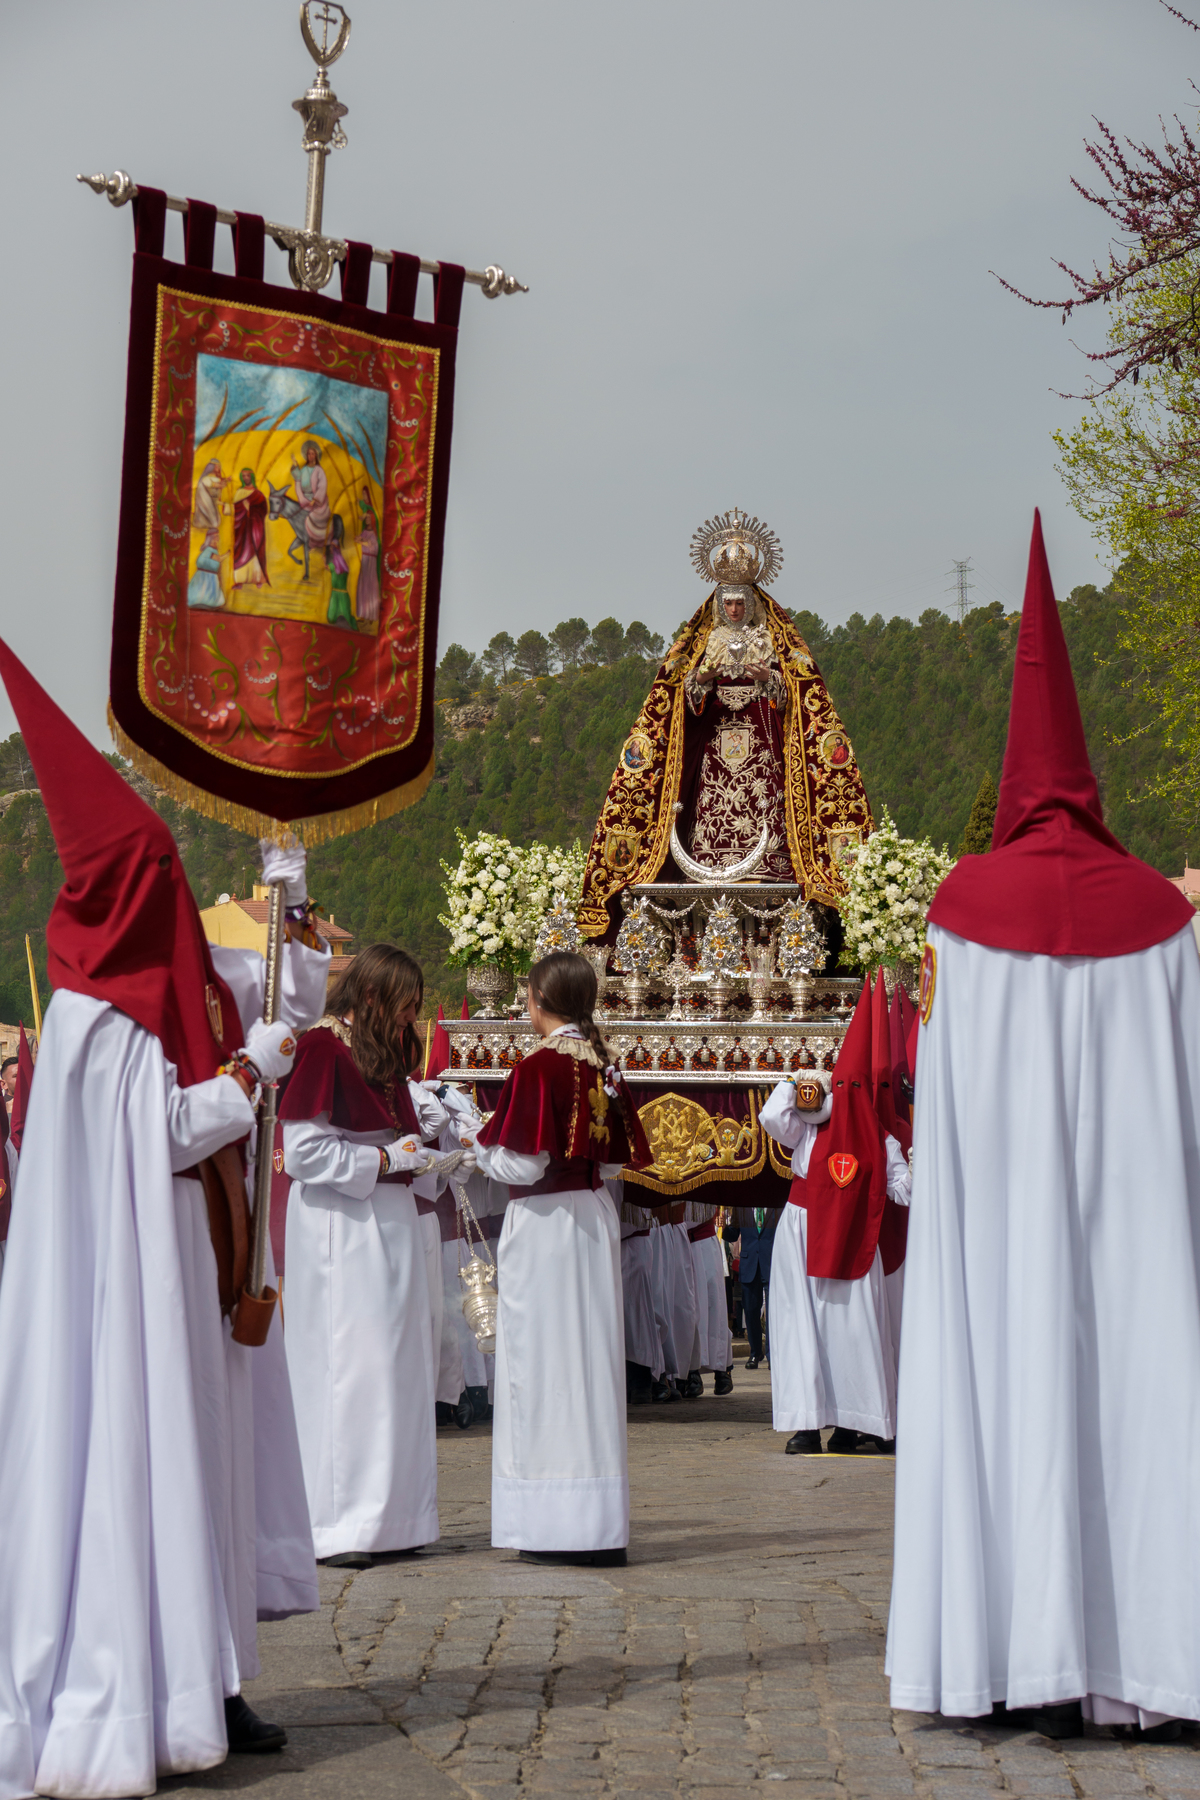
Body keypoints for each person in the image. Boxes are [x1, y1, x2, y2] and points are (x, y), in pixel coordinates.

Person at [886, 513, 1200, 1739]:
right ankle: (1147, 1661)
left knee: (1004, 1379)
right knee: (1133, 1385)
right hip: (1137, 1225)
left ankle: (1003, 1655)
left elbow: (945, 1099)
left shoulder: (964, 909)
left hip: (1004, 1223)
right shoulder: (1164, 919)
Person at [0, 639, 330, 1796]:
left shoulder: (170, 978)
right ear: (130, 887)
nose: (178, 886)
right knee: (159, 1467)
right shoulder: (94, 1017)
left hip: (195, 1263)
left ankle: (216, 1672)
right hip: (138, 1286)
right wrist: (250, 1075)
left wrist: (285, 894)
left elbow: (281, 995)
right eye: (163, 870)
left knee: (207, 1473)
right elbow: (164, 1132)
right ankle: (157, 1684)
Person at [577, 507, 870, 940]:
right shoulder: (704, 641)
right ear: (718, 603)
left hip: (762, 752)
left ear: (752, 603)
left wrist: (770, 679)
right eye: (727, 602)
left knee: (766, 810)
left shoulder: (774, 642)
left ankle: (772, 884)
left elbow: (800, 703)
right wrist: (701, 681)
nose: (733, 609)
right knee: (709, 816)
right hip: (715, 754)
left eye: (740, 602)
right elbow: (680, 708)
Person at [462, 951, 651, 1565]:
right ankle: (595, 1523)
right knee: (590, 1361)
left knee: (541, 1362)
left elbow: (523, 1164)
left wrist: (477, 1144)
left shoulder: (538, 1068)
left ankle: (551, 1524)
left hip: (544, 1226)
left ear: (538, 999)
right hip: (592, 1220)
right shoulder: (605, 1067)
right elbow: (619, 1160)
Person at [280, 946, 440, 1571]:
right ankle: (342, 1522)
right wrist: (382, 1160)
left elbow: (394, 1133)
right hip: (344, 1227)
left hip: (389, 1222)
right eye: (402, 1012)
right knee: (354, 1366)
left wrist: (423, 1157)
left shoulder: (377, 1050)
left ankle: (395, 1517)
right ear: (371, 997)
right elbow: (303, 1153)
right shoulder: (324, 1047)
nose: (406, 1027)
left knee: (399, 1367)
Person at [761, 1036, 911, 1458]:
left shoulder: (882, 1140)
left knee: (856, 1331)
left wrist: (922, 1167)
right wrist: (796, 1079)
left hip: (854, 1236)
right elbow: (772, 1116)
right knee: (801, 1328)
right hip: (803, 1233)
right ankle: (807, 1424)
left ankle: (855, 1423)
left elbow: (904, 1188)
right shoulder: (809, 1129)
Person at [688, 1211, 734, 1394]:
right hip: (681, 1241)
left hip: (704, 1242)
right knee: (689, 1310)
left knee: (715, 1308)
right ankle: (691, 1372)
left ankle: (723, 1369)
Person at [725, 1208, 776, 1368]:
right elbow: (732, 1233)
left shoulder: (777, 1204)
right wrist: (725, 1227)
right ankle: (755, 1353)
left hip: (772, 1262)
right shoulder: (742, 1207)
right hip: (749, 1263)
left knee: (773, 1312)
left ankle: (771, 1354)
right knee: (750, 1310)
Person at [232, 468, 270, 591]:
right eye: (243, 476)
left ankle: (258, 579)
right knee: (239, 552)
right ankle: (239, 580)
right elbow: (235, 510)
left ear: (252, 477)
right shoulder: (239, 492)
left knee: (254, 549)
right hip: (241, 529)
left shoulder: (258, 495)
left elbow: (263, 511)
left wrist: (251, 510)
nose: (245, 478)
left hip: (253, 528)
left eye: (247, 475)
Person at [292, 440, 331, 551]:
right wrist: (295, 466)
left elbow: (322, 485)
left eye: (312, 453)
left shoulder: (319, 470)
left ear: (316, 455)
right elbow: (298, 480)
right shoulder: (303, 469)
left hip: (318, 503)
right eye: (308, 454)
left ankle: (316, 542)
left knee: (313, 518)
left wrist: (316, 499)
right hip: (305, 500)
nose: (310, 456)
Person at [356, 489, 381, 625]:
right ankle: (364, 615)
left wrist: (362, 541)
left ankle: (371, 616)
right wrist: (358, 538)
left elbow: (373, 547)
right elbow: (360, 538)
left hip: (370, 562)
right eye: (365, 519)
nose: (366, 520)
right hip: (365, 561)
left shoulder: (374, 534)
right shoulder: (365, 531)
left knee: (370, 587)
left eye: (367, 519)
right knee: (363, 587)